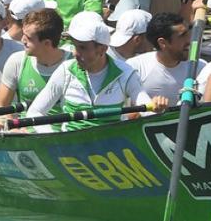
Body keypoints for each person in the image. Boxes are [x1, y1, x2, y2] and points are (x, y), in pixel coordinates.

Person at [25, 12, 161, 132]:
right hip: (69, 149)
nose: (75, 53)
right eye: (74, 46)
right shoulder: (66, 71)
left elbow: (148, 110)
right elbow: (35, 112)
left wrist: (156, 108)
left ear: (102, 49)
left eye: (82, 48)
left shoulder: (125, 73)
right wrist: (52, 138)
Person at [0, 8, 67, 107]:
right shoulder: (17, 61)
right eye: (23, 35)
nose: (22, 40)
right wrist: (5, 118)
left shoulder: (73, 64)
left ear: (47, 43)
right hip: (26, 122)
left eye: (28, 38)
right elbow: (0, 106)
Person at [129, 11, 198, 100]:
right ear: (162, 43)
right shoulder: (135, 67)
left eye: (188, 34)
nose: (189, 41)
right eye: (182, 36)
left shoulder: (199, 67)